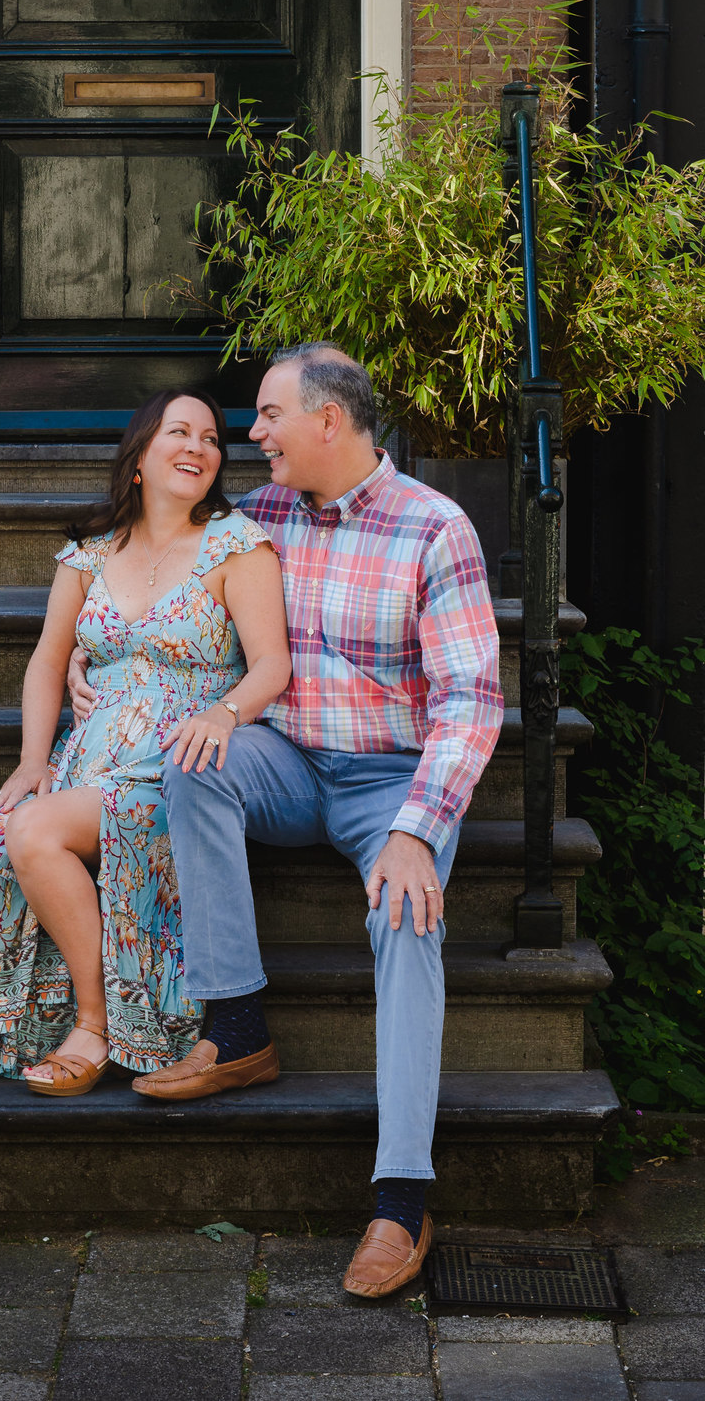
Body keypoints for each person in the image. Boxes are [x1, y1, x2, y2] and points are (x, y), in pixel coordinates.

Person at [69, 344, 504, 1298]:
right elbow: (146, 558)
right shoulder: (255, 519)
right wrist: (92, 663)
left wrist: (416, 832)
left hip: (392, 781)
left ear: (329, 423)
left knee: (406, 917)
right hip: (288, 762)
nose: (250, 436)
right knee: (193, 760)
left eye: (267, 417)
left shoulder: (437, 529)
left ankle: (401, 1199)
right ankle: (237, 1027)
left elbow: (471, 700)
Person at [0, 388, 291, 1110]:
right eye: (180, 432)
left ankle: (94, 1024)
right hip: (87, 767)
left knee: (33, 828)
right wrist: (31, 761)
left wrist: (224, 713)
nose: (199, 447)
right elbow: (49, 662)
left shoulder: (237, 545)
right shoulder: (89, 553)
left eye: (212, 438)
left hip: (173, 776)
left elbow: (273, 664)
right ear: (140, 456)